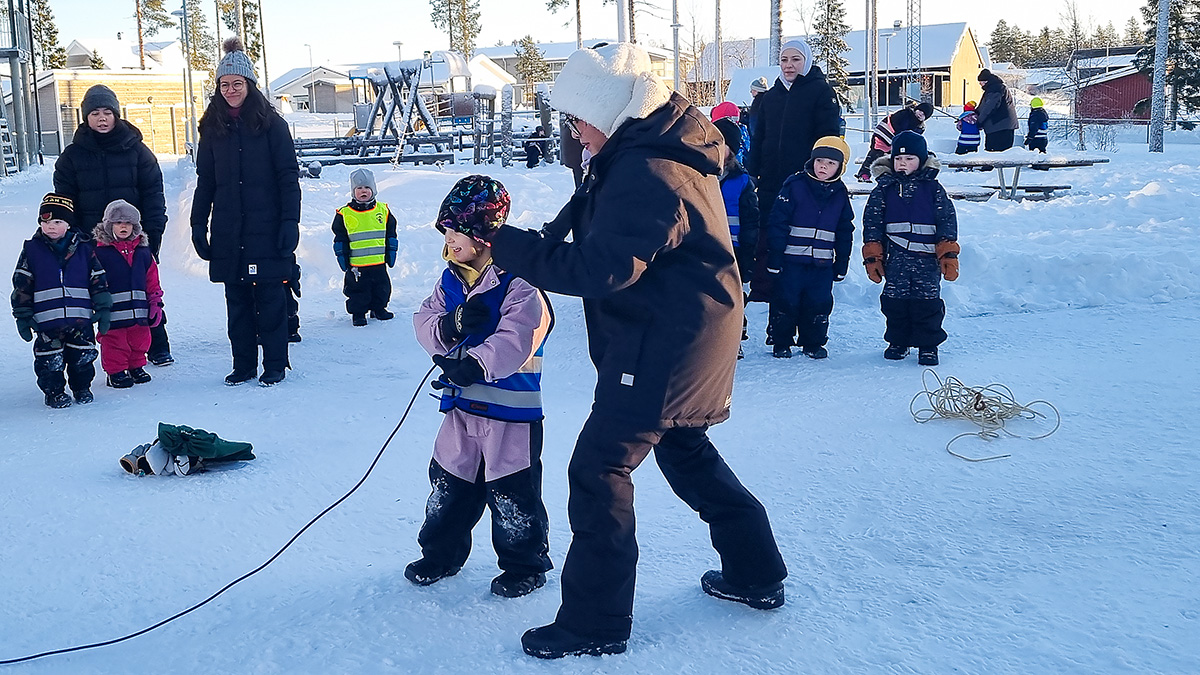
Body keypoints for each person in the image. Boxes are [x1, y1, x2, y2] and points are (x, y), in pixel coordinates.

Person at [482, 42, 787, 660]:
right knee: (685, 449)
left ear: (605, 108)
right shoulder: (639, 146)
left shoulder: (651, 168)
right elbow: (598, 219)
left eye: (575, 117)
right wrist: (541, 237)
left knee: (598, 470)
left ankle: (594, 622)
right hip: (683, 334)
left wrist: (510, 250)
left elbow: (606, 266)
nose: (572, 130)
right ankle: (756, 571)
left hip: (668, 344)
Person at [409, 175, 555, 600]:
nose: (450, 238)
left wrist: (477, 362)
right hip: (461, 410)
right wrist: (449, 326)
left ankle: (523, 564)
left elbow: (521, 334)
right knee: (449, 482)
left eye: (457, 229)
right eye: (446, 230)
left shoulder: (519, 283)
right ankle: (440, 553)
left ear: (484, 234)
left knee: (513, 490)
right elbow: (425, 320)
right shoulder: (451, 281)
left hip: (510, 413)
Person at [190, 38, 301, 387]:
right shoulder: (211, 128)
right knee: (236, 300)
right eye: (224, 84)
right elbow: (205, 180)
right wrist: (198, 223)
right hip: (228, 229)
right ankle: (242, 365)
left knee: (269, 298)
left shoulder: (272, 125)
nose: (230, 90)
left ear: (249, 85)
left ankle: (275, 364)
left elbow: (287, 177)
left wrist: (289, 223)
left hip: (266, 228)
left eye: (237, 84)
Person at [53, 84, 174, 367]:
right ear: (86, 117)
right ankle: (100, 351)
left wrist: (152, 234)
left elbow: (154, 195)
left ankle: (157, 344)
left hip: (133, 238)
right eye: (95, 113)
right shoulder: (72, 157)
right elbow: (65, 202)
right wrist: (73, 239)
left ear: (117, 114)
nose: (102, 118)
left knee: (144, 290)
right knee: (99, 295)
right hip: (92, 240)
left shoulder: (137, 151)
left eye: (108, 111)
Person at [746, 39, 841, 334]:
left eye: (796, 59)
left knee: (799, 230)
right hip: (772, 179)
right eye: (785, 60)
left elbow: (828, 136)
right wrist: (752, 171)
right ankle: (764, 284)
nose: (789, 65)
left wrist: (820, 172)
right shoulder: (771, 97)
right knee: (770, 226)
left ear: (807, 61)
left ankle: (801, 285)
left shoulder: (820, 92)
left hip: (805, 179)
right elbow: (759, 137)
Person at [861, 130, 959, 366]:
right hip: (896, 259)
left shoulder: (933, 189)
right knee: (895, 302)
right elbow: (872, 223)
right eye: (898, 159)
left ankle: (928, 344)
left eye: (909, 159)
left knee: (927, 302)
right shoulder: (884, 189)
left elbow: (947, 220)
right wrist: (873, 255)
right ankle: (898, 341)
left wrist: (948, 253)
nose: (903, 163)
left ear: (922, 160)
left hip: (927, 260)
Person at [11, 194, 112, 408]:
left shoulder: (84, 248)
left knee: (83, 357)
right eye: (45, 222)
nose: (51, 227)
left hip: (80, 320)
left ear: (68, 224)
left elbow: (98, 280)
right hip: (47, 322)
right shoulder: (32, 250)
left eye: (57, 222)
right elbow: (22, 283)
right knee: (49, 360)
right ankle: (54, 392)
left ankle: (82, 387)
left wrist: (103, 308)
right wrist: (22, 315)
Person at [764, 136, 854, 359]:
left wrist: (842, 261)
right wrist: (774, 257)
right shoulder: (794, 186)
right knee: (786, 301)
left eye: (831, 163)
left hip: (821, 264)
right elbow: (777, 222)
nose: (823, 166)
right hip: (790, 261)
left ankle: (813, 342)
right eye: (820, 160)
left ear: (840, 168)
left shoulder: (840, 193)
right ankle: (781, 341)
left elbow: (845, 230)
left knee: (819, 303)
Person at [92, 200, 163, 389]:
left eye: (128, 223)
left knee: (139, 338)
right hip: (113, 310)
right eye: (118, 223)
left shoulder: (143, 252)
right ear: (108, 226)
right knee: (115, 340)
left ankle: (136, 366)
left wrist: (155, 301)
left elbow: (152, 278)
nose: (123, 226)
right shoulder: (100, 253)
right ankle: (115, 371)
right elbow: (93, 280)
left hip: (139, 309)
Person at [713, 116, 759, 360]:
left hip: (735, 248)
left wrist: (749, 252)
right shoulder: (700, 175)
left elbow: (751, 219)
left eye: (722, 144)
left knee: (734, 296)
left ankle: (734, 339)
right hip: (706, 247)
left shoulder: (742, 181)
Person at [331, 168, 398, 326]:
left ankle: (379, 309)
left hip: (378, 262)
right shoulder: (345, 214)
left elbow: (391, 233)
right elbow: (340, 237)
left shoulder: (383, 210)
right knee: (357, 291)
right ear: (353, 191)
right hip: (357, 265)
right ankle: (358, 313)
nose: (363, 191)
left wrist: (391, 250)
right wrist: (342, 255)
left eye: (367, 188)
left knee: (381, 288)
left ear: (373, 190)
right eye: (359, 188)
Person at [854, 101, 933, 182]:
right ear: (916, 109)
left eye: (923, 115)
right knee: (875, 154)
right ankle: (864, 173)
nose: (920, 114)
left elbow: (913, 138)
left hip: (894, 142)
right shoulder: (906, 114)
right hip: (883, 135)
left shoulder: (920, 127)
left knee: (893, 158)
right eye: (920, 111)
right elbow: (898, 127)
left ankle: (890, 176)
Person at [975, 69, 1019, 152]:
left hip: (998, 125)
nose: (980, 85)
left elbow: (990, 107)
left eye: (981, 82)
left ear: (986, 81)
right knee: (1000, 152)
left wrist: (979, 121)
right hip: (1003, 125)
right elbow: (984, 106)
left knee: (994, 153)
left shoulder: (995, 89)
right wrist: (976, 112)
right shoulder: (995, 88)